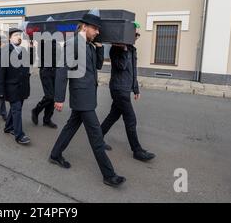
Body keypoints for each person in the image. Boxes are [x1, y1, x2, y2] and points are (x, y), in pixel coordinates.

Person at [49, 13, 126, 188]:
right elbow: (62, 71)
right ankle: (109, 175)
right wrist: (59, 98)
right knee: (96, 136)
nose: (98, 32)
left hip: (86, 94)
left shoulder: (89, 46)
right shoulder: (73, 44)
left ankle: (55, 154)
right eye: (95, 28)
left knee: (71, 127)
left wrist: (99, 47)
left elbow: (98, 66)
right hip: (81, 96)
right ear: (85, 27)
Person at [101, 23, 155, 162]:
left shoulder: (132, 49)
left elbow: (133, 71)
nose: (137, 37)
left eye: (138, 35)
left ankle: (97, 137)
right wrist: (123, 50)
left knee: (113, 116)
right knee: (131, 119)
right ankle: (137, 150)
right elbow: (121, 66)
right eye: (135, 35)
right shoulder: (116, 49)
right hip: (118, 89)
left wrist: (135, 88)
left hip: (125, 88)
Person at [0, 28, 32, 145]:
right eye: (16, 35)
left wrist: (31, 49)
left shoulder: (23, 50)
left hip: (22, 87)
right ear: (10, 38)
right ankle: (19, 135)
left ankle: (8, 127)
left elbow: (29, 64)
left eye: (20, 35)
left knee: (16, 108)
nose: (18, 37)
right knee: (17, 110)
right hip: (11, 87)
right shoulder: (5, 51)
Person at [31, 39, 61, 129]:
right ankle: (36, 110)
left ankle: (47, 120)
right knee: (49, 96)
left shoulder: (57, 42)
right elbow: (41, 55)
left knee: (53, 97)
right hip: (46, 70)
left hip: (55, 70)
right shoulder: (43, 41)